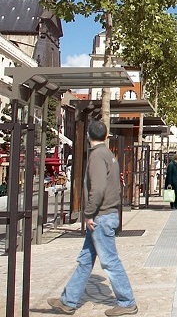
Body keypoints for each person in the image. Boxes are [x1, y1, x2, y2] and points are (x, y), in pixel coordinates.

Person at [49, 120, 137, 315]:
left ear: (88, 136)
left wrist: (89, 214)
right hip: (107, 214)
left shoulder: (97, 157)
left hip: (101, 217)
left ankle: (127, 301)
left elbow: (97, 189)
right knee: (86, 260)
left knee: (110, 262)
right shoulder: (109, 155)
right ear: (106, 137)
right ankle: (68, 300)